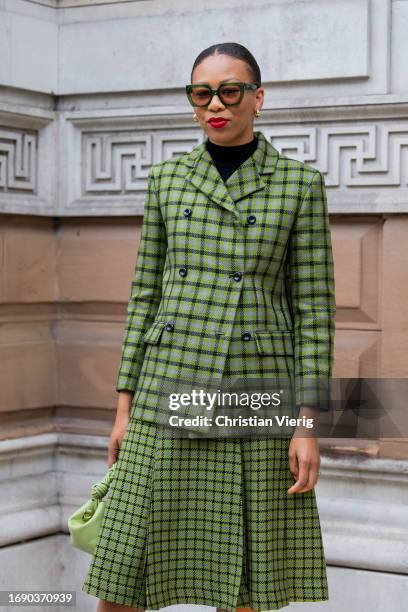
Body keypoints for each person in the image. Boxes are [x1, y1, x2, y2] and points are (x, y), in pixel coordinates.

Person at [82, 41, 336, 612]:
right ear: (193, 103)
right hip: (165, 386)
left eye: (229, 90)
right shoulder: (168, 180)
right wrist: (122, 412)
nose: (215, 104)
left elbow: (315, 315)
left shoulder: (299, 185)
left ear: (258, 98)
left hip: (255, 392)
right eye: (202, 93)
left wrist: (307, 425)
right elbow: (144, 296)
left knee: (241, 578)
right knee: (124, 573)